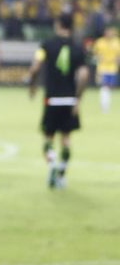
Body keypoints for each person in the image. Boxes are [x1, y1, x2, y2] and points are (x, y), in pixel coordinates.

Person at [27, 13, 89, 189]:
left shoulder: (46, 45)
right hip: (69, 99)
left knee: (48, 138)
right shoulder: (78, 48)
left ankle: (52, 163)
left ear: (58, 25)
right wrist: (78, 99)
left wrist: (32, 86)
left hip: (52, 98)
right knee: (66, 139)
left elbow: (34, 67)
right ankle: (62, 173)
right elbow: (84, 75)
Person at [91, 26, 120, 112]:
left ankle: (106, 105)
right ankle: (104, 106)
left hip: (112, 68)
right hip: (102, 68)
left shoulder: (117, 42)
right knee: (104, 86)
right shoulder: (99, 42)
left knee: (109, 87)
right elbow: (94, 54)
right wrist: (97, 58)